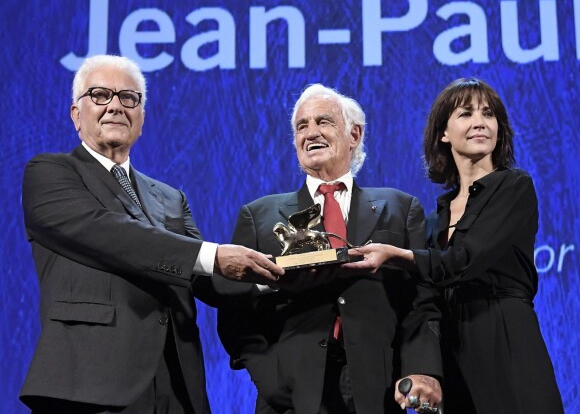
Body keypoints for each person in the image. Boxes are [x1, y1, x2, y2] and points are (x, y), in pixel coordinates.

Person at [20, 54, 284, 414]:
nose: (115, 106)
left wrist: (278, 274)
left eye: (129, 98)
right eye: (99, 95)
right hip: (90, 385)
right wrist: (214, 256)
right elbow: (112, 235)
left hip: (177, 384)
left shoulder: (169, 197)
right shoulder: (50, 174)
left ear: (142, 118)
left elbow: (204, 278)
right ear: (76, 115)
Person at [217, 84, 443, 414]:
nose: (311, 133)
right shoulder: (259, 215)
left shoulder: (401, 207)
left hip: (378, 389)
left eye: (323, 122)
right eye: (301, 126)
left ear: (354, 134)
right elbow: (235, 307)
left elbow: (421, 302)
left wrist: (423, 369)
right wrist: (269, 375)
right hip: (290, 394)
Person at [346, 77, 564, 413]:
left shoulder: (514, 187)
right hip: (452, 349)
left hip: (505, 338)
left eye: (488, 114)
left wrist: (395, 255)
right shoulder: (436, 216)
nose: (480, 122)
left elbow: (463, 260)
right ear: (443, 134)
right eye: (466, 114)